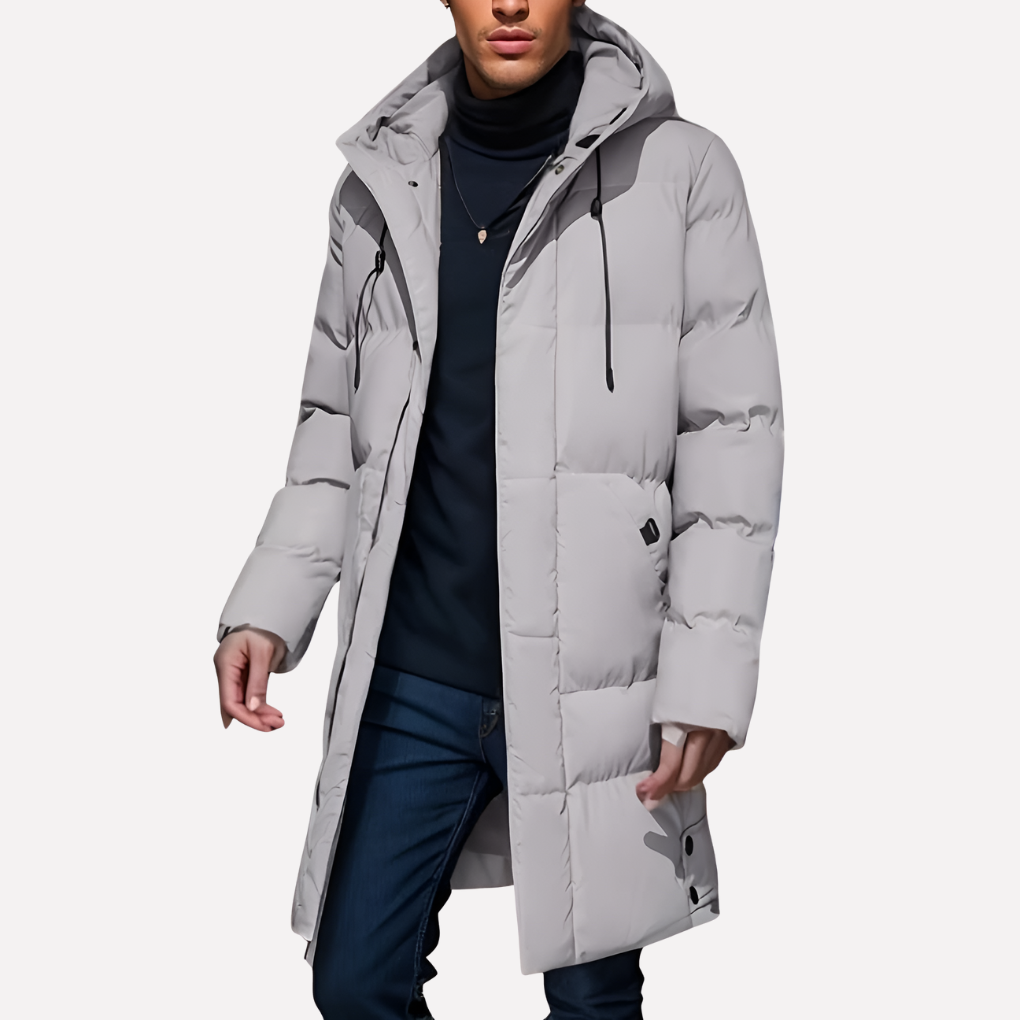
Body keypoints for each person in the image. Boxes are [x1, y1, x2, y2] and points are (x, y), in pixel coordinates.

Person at [214, 1, 783, 1016]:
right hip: (415, 671)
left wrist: (706, 676)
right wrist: (268, 608)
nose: (510, 4)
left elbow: (731, 436)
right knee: (355, 980)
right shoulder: (377, 186)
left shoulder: (683, 173)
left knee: (592, 999)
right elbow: (333, 428)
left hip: (595, 672)